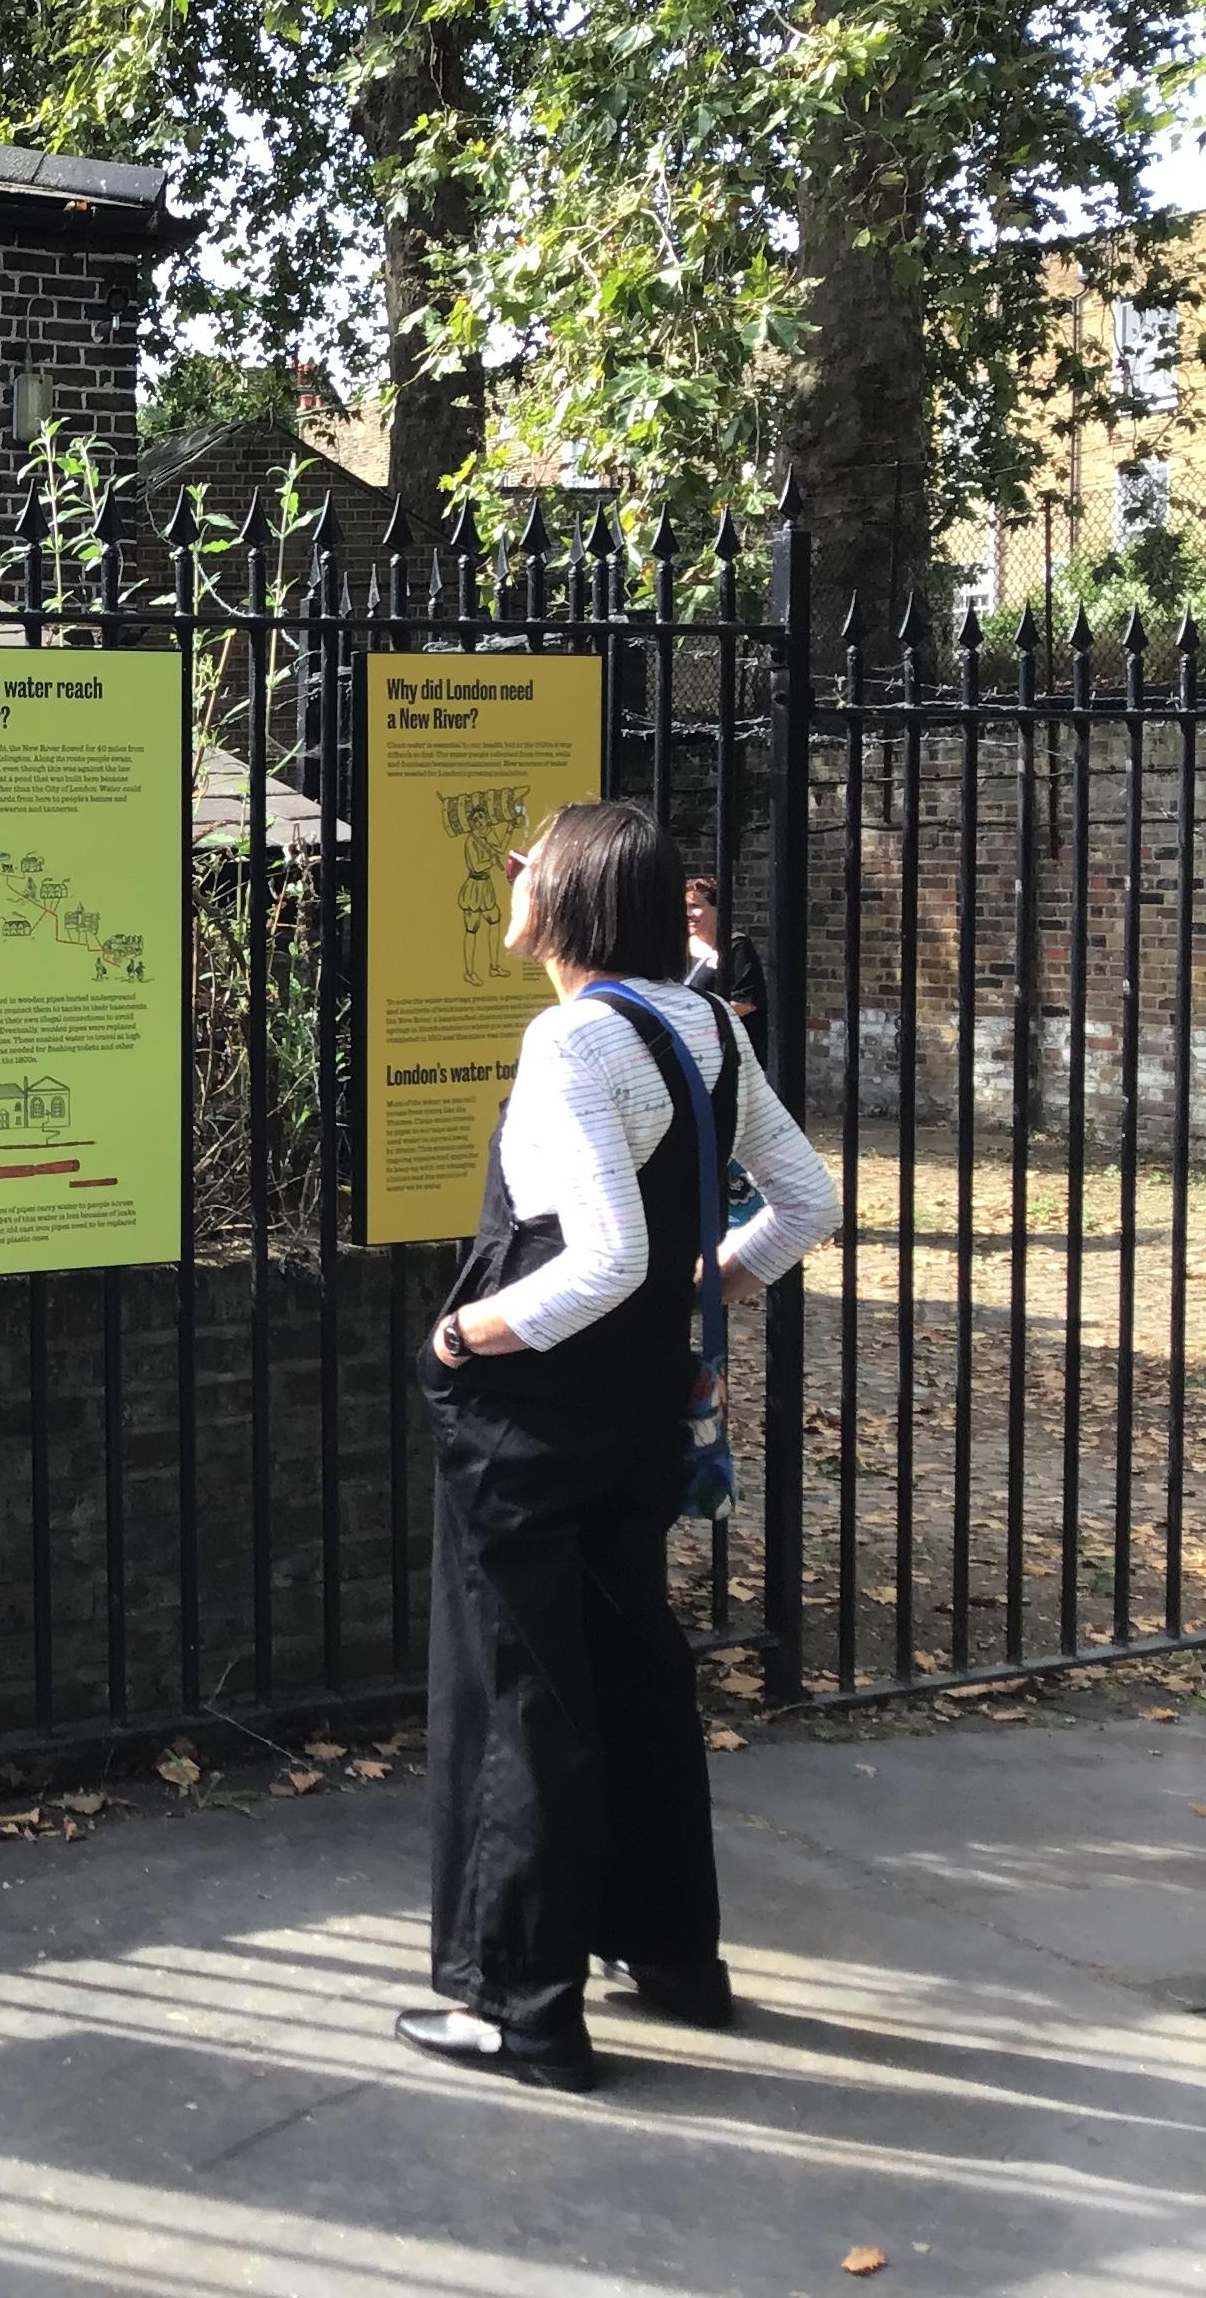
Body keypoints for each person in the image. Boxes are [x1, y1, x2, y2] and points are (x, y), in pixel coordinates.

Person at [404, 799, 837, 2091]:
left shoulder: (571, 1043)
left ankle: (518, 2008)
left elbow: (603, 1255)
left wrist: (470, 1332)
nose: (513, 872)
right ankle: (672, 1956)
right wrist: (720, 1286)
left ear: (572, 893)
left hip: (536, 1419)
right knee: (635, 1668)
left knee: (518, 1696)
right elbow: (804, 1197)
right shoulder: (699, 1021)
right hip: (647, 1405)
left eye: (529, 859)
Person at [680, 872, 769, 1074]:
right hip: (690, 1051)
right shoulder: (678, 948)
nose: (688, 913)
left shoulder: (737, 948)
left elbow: (745, 1003)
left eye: (695, 906)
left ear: (716, 909)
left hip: (727, 1052)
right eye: (684, 907)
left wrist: (696, 1020)